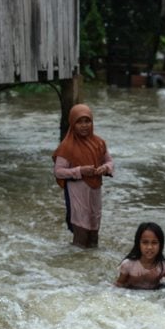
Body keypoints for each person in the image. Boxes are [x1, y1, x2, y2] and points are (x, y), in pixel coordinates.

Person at [53, 104, 115, 248]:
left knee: (94, 233)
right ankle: (75, 267)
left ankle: (91, 267)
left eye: (87, 121)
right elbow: (58, 171)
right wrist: (80, 171)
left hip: (95, 191)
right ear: (72, 124)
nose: (84, 125)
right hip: (77, 192)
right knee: (81, 233)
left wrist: (105, 168)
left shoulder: (99, 143)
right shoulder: (67, 146)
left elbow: (109, 161)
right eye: (79, 122)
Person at [114, 221, 165, 290]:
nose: (149, 247)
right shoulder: (128, 265)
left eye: (154, 243)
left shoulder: (163, 266)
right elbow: (119, 285)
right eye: (145, 242)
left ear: (161, 245)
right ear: (138, 244)